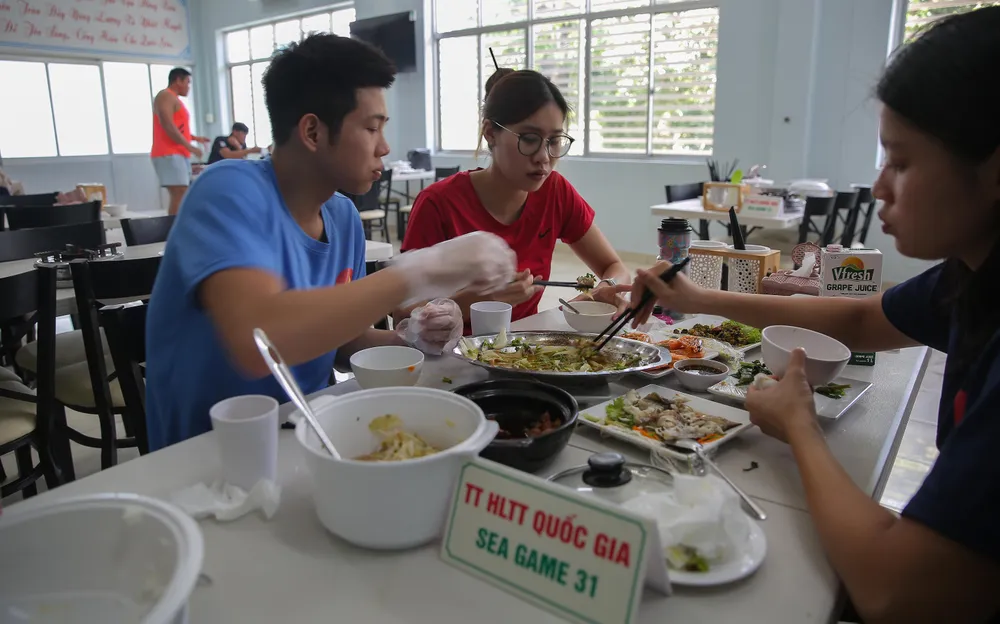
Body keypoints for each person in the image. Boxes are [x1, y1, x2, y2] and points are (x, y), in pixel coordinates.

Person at [628, 9, 1000, 622]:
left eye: (901, 162)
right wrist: (694, 299)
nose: (878, 187)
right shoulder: (972, 276)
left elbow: (896, 593)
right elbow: (858, 320)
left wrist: (798, 425)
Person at [145, 35, 515, 450]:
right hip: (207, 454)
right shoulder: (227, 190)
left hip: (310, 433)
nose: (384, 146)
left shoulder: (342, 217)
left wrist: (413, 339)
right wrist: (421, 271)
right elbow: (259, 341)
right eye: (371, 128)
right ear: (312, 131)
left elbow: (341, 344)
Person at [399, 69, 630, 325]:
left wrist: (607, 287)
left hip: (525, 344)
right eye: (529, 139)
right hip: (452, 347)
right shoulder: (438, 203)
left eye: (554, 140)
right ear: (490, 133)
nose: (543, 157)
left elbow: (614, 267)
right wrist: (476, 300)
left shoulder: (555, 191)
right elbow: (403, 312)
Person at [152, 67, 210, 216]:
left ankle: (179, 225)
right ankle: (174, 228)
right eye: (187, 82)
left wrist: (195, 139)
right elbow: (167, 125)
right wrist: (190, 147)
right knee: (179, 192)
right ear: (178, 80)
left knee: (182, 192)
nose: (189, 87)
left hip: (177, 153)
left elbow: (178, 128)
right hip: (168, 153)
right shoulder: (165, 95)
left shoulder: (174, 99)